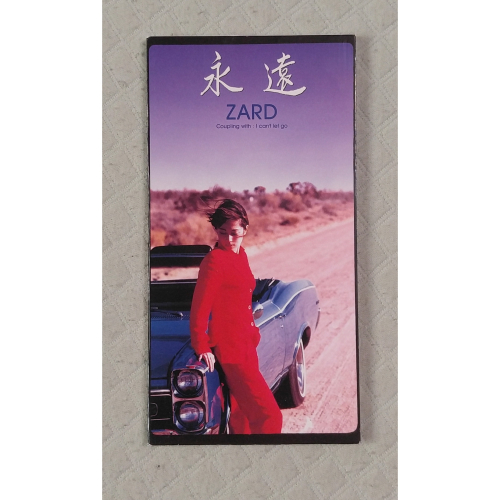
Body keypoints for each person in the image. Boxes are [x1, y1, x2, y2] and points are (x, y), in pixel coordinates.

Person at [190, 199, 282, 434]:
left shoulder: (241, 255)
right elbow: (200, 307)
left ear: (245, 230)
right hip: (231, 350)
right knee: (269, 416)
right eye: (222, 233)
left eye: (234, 233)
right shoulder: (214, 261)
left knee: (243, 417)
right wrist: (201, 344)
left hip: (247, 345)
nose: (228, 239)